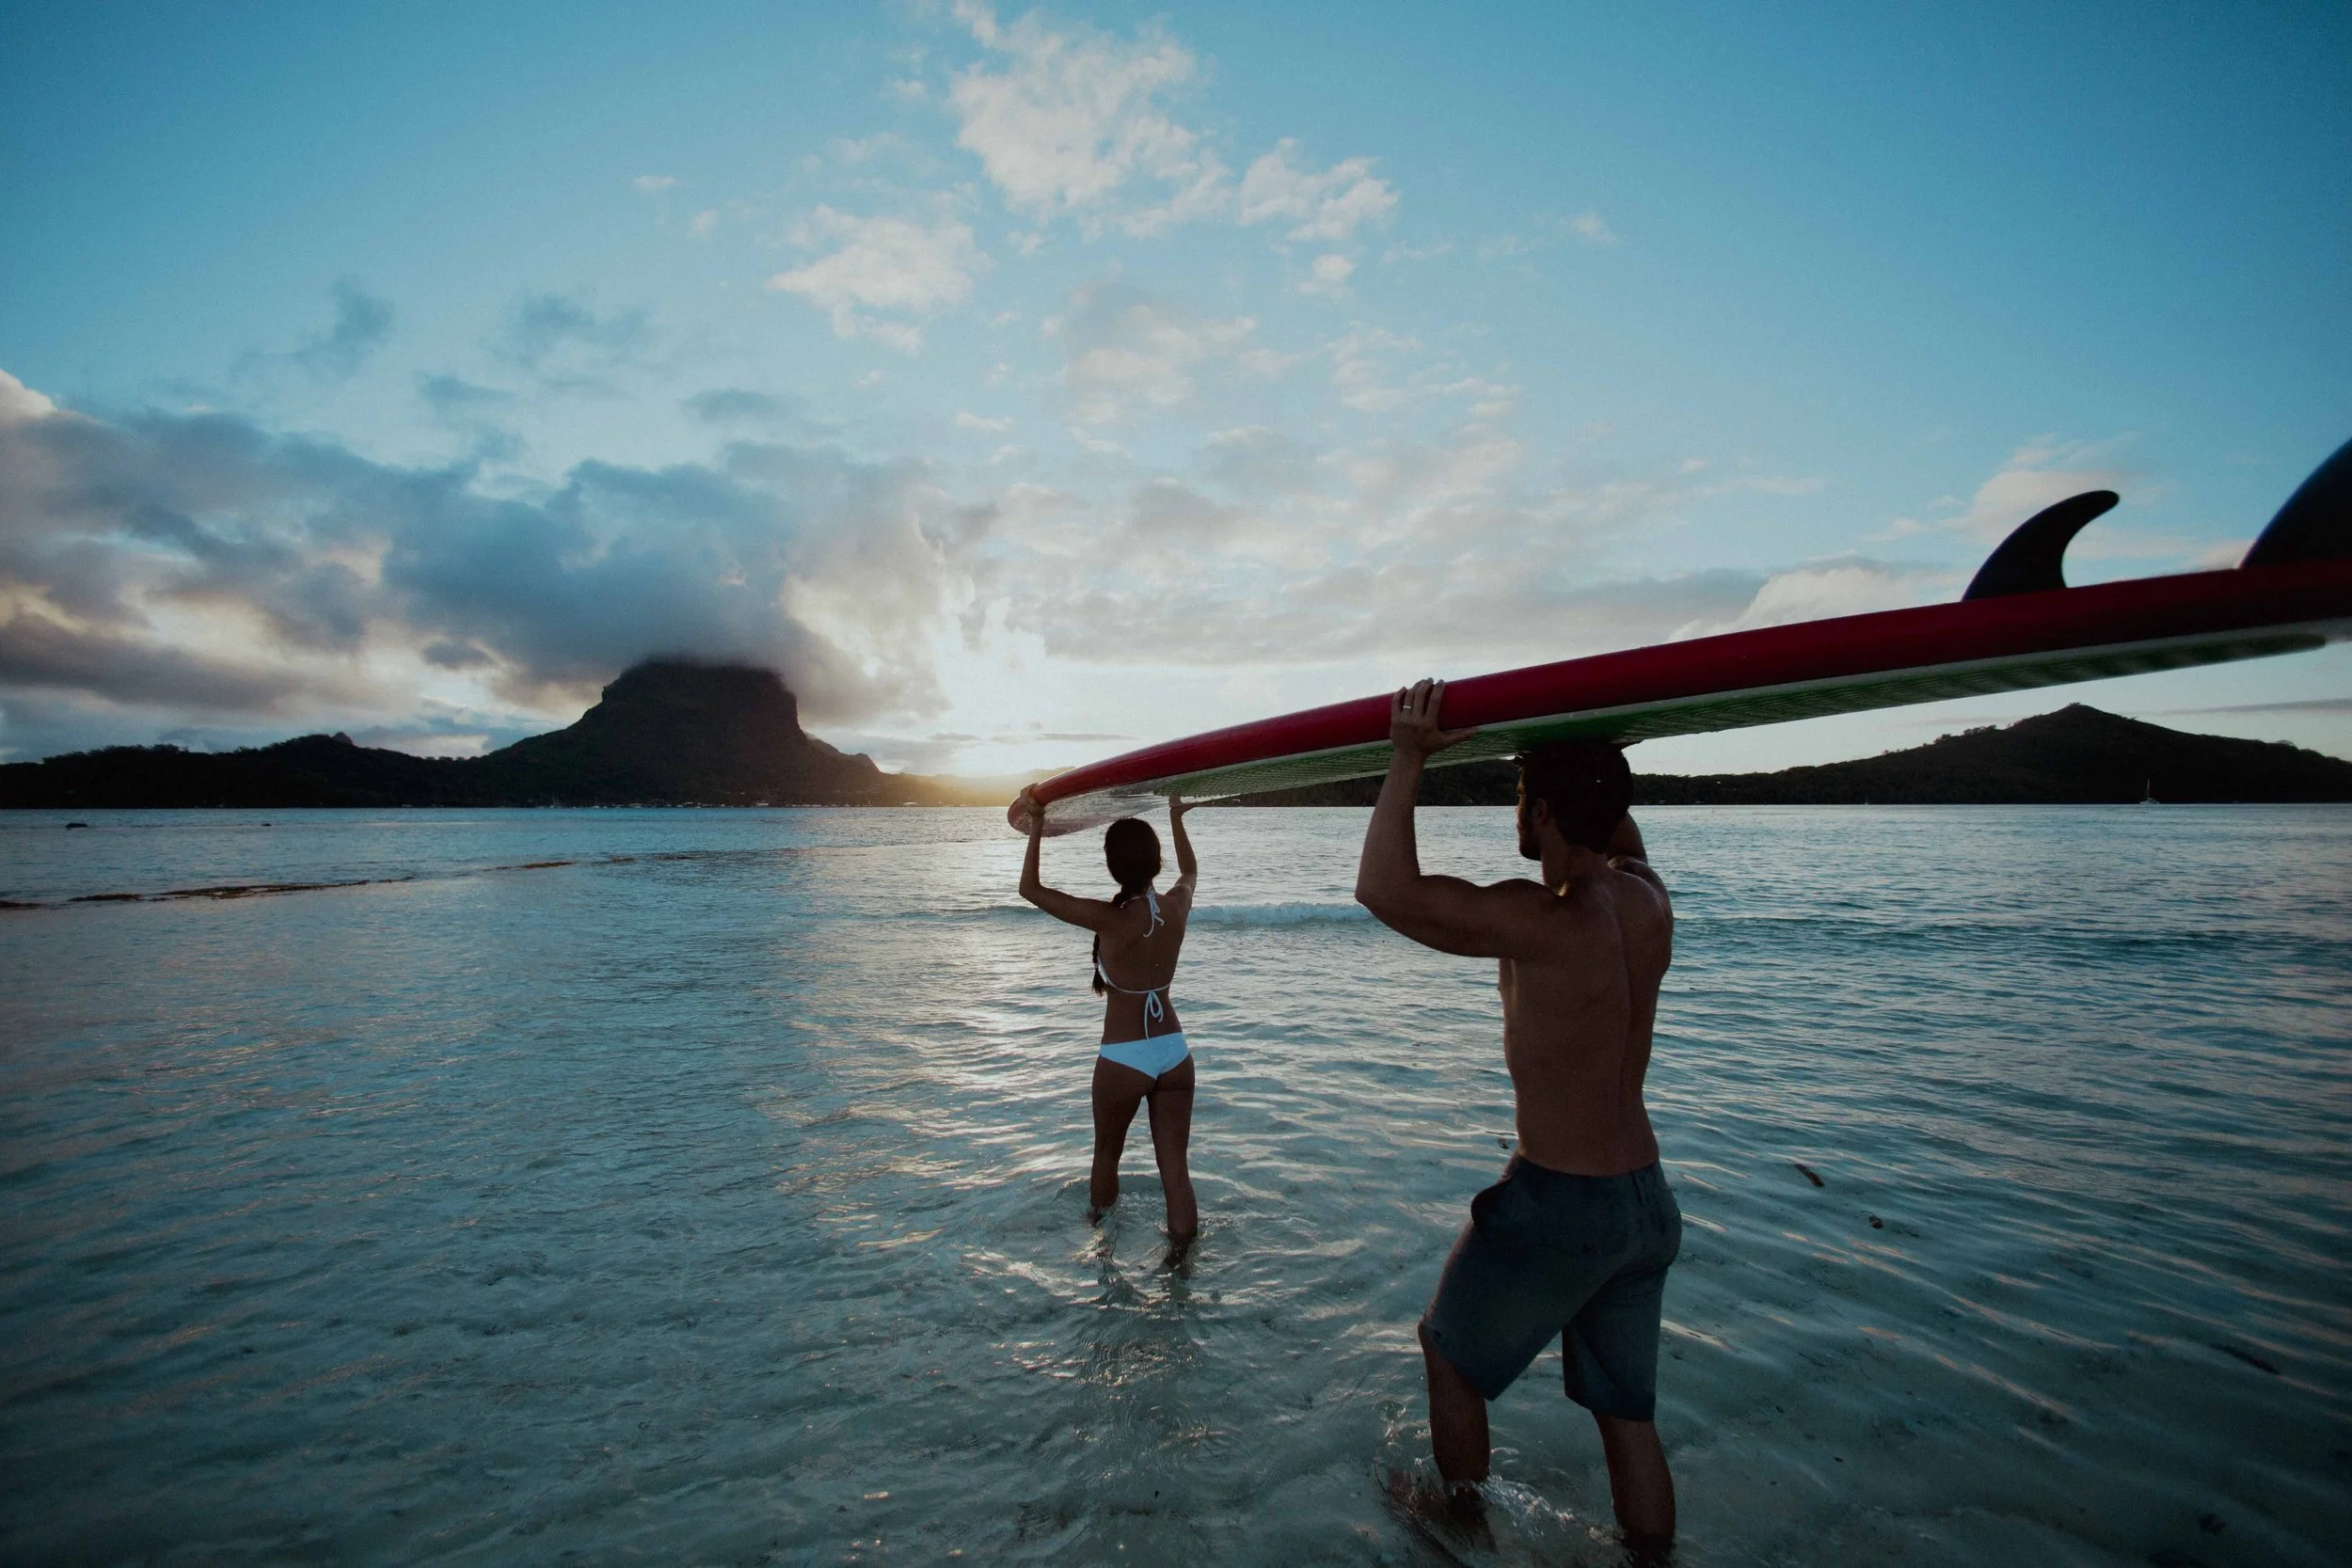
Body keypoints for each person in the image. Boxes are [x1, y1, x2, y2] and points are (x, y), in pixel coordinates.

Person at [1354, 678, 1681, 1558]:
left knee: (1449, 1354)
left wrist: (1408, 756)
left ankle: (1460, 1524)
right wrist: (1591, 757)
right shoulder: (1649, 899)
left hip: (1559, 1200)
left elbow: (1383, 888)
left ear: (1538, 807)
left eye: (1520, 794)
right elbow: (1613, 824)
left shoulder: (1539, 922)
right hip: (1645, 1204)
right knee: (1627, 1414)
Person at [1014, 789, 1201, 1263]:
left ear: (1112, 866)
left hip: (1124, 1057)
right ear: (1154, 861)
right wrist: (1178, 818)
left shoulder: (1110, 919)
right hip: (1176, 1053)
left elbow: (1031, 890)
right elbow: (1190, 873)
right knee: (1175, 1168)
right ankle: (1182, 1269)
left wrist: (1036, 822)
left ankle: (1102, 1254)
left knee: (1106, 1156)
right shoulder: (1176, 907)